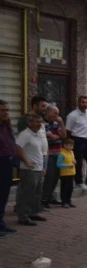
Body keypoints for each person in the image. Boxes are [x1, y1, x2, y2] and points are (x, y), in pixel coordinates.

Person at [15, 114, 48, 226]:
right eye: (37, 122)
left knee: (37, 193)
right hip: (29, 170)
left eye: (40, 122)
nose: (39, 124)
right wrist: (26, 162)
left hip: (38, 169)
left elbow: (38, 152)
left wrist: (42, 167)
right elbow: (18, 149)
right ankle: (23, 216)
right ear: (30, 123)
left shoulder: (37, 134)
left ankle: (33, 213)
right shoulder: (25, 134)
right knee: (26, 193)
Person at [66, 95, 87, 190]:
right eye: (83, 102)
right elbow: (68, 130)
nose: (85, 104)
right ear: (78, 103)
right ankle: (79, 181)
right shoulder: (72, 115)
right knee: (78, 162)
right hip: (77, 139)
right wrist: (69, 143)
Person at [0, 100, 20, 238]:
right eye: (2, 110)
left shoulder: (6, 125)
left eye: (7, 110)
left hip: (8, 162)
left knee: (3, 195)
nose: (6, 113)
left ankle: (1, 224)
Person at [41, 105, 67, 207]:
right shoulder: (42, 122)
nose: (57, 116)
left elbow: (64, 135)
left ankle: (50, 196)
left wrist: (61, 123)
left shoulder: (57, 122)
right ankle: (44, 198)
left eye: (58, 113)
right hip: (49, 153)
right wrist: (51, 135)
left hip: (58, 152)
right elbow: (48, 136)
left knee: (56, 176)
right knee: (49, 176)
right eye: (55, 113)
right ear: (48, 112)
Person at [56, 138, 77, 208]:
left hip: (71, 173)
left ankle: (69, 201)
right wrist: (67, 165)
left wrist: (74, 162)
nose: (71, 147)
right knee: (64, 188)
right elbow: (58, 164)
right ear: (65, 145)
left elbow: (73, 160)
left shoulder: (72, 152)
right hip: (65, 174)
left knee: (70, 188)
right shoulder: (61, 153)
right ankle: (64, 202)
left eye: (72, 145)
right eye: (70, 145)